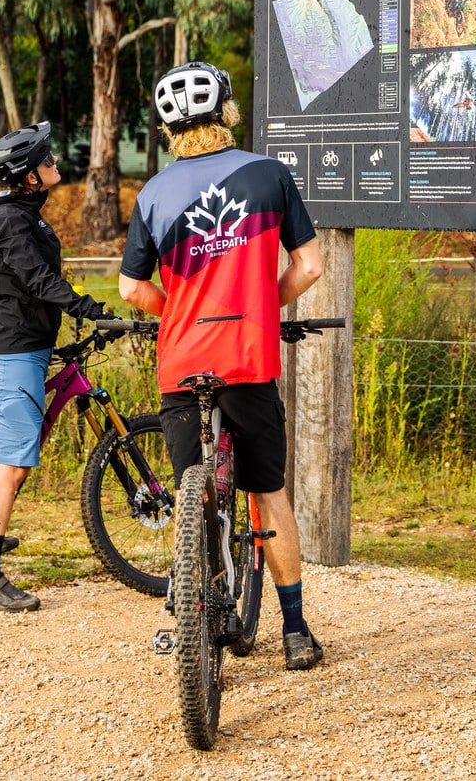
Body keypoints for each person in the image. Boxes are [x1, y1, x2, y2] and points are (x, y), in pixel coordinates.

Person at [116, 62, 328, 670]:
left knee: (195, 498)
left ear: (167, 128)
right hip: (248, 357)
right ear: (227, 113)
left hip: (182, 362)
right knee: (268, 491)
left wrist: (178, 306)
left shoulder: (153, 193)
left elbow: (132, 290)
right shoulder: (268, 174)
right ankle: (294, 631)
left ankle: (194, 601)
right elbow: (309, 267)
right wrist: (264, 303)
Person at [0, 120, 115, 613]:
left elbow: (34, 277)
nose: (55, 164)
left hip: (21, 350)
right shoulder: (10, 219)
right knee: (11, 465)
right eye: (47, 160)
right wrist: (86, 307)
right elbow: (35, 280)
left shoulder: (22, 213)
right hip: (15, 354)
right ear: (28, 176)